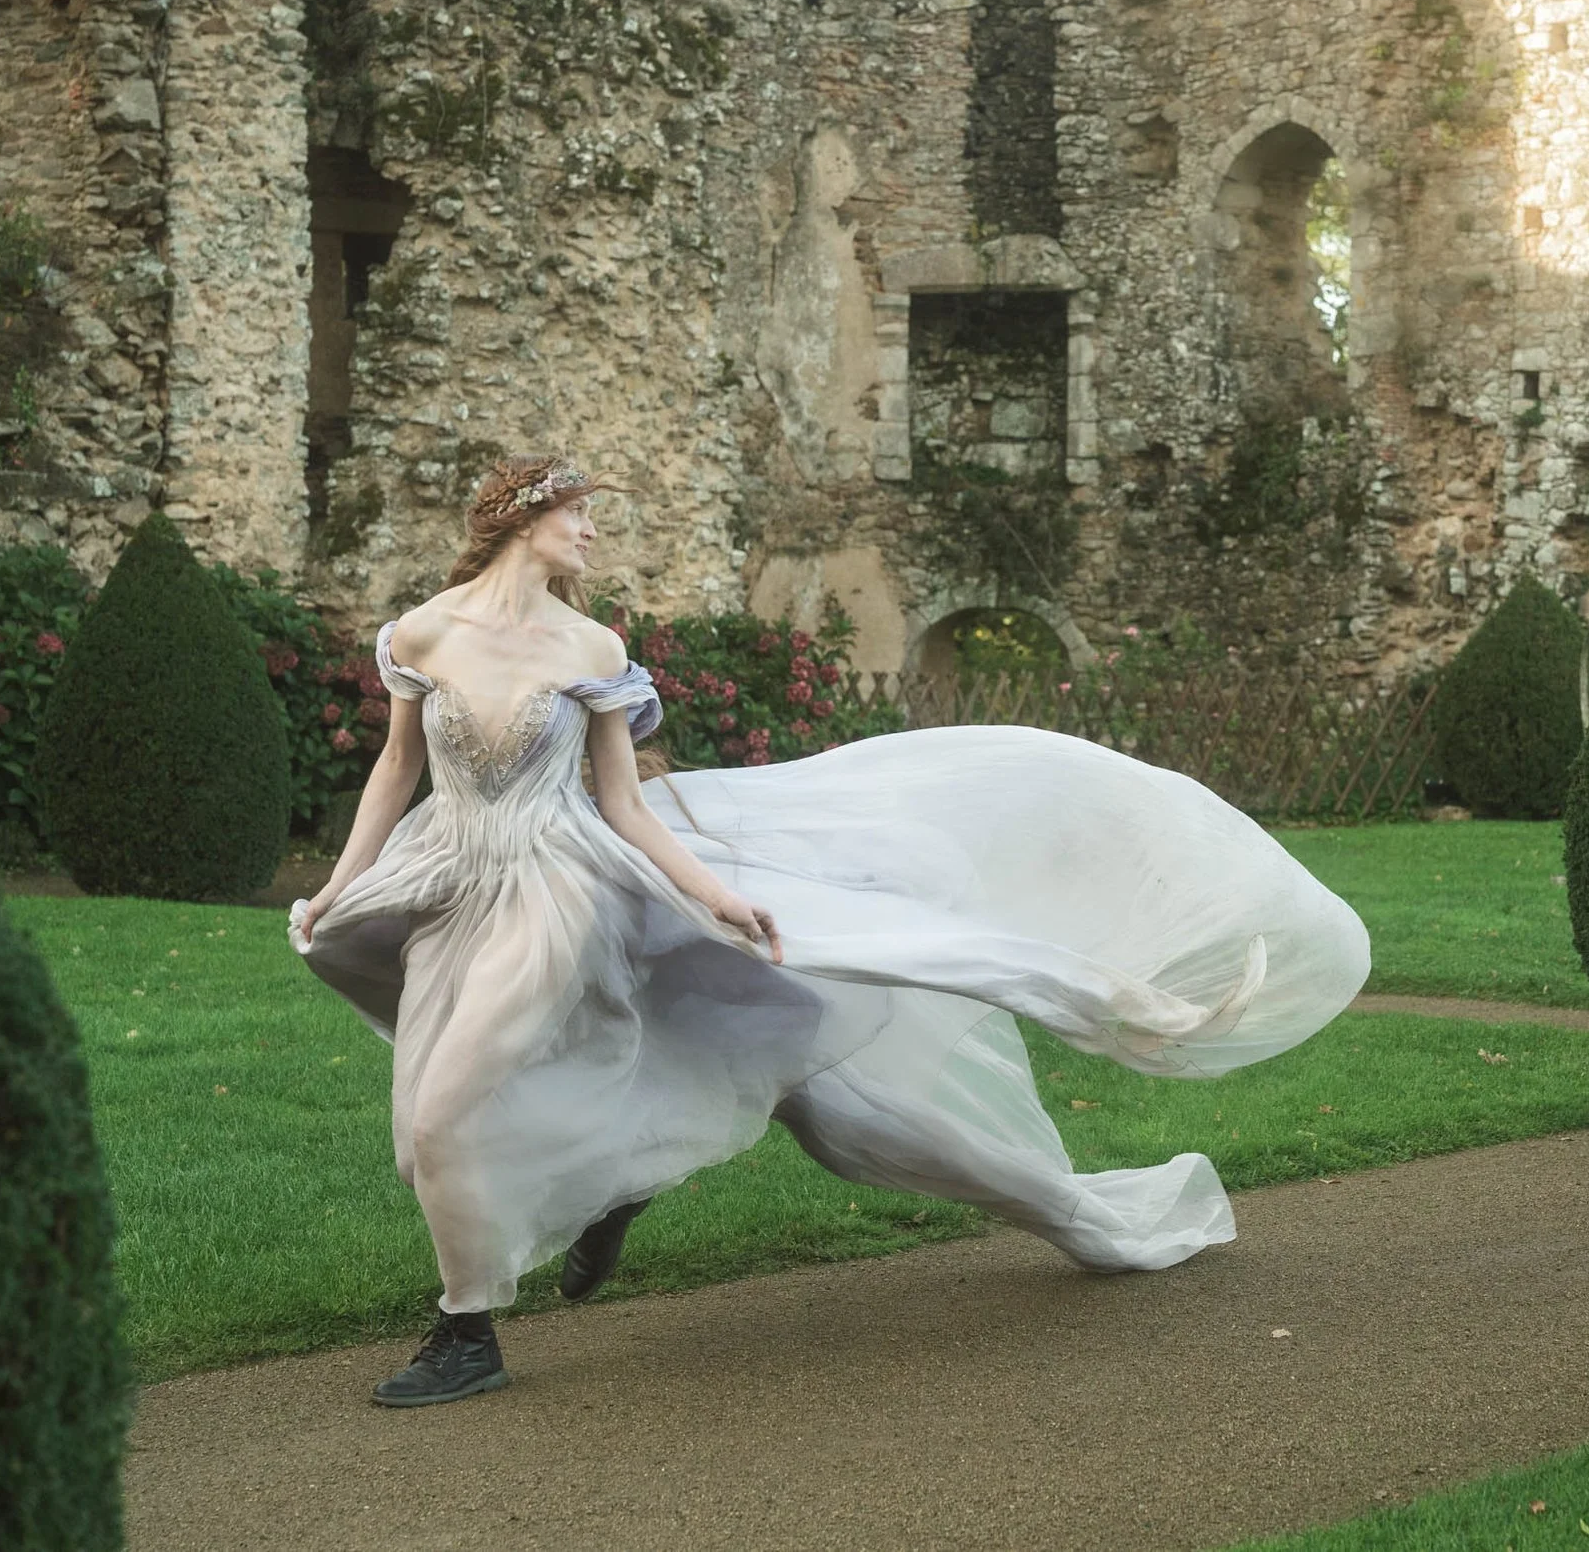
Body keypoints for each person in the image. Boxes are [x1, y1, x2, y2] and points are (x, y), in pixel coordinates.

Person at [293, 456, 1368, 1407]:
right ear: (524, 518)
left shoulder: (591, 645)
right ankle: (623, 1180)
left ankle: (465, 1329)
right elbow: (395, 770)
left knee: (441, 1114)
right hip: (448, 875)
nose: (591, 532)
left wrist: (712, 895)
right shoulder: (422, 632)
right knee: (427, 1128)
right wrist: (345, 887)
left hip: (556, 890)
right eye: (578, 514)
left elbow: (620, 805)